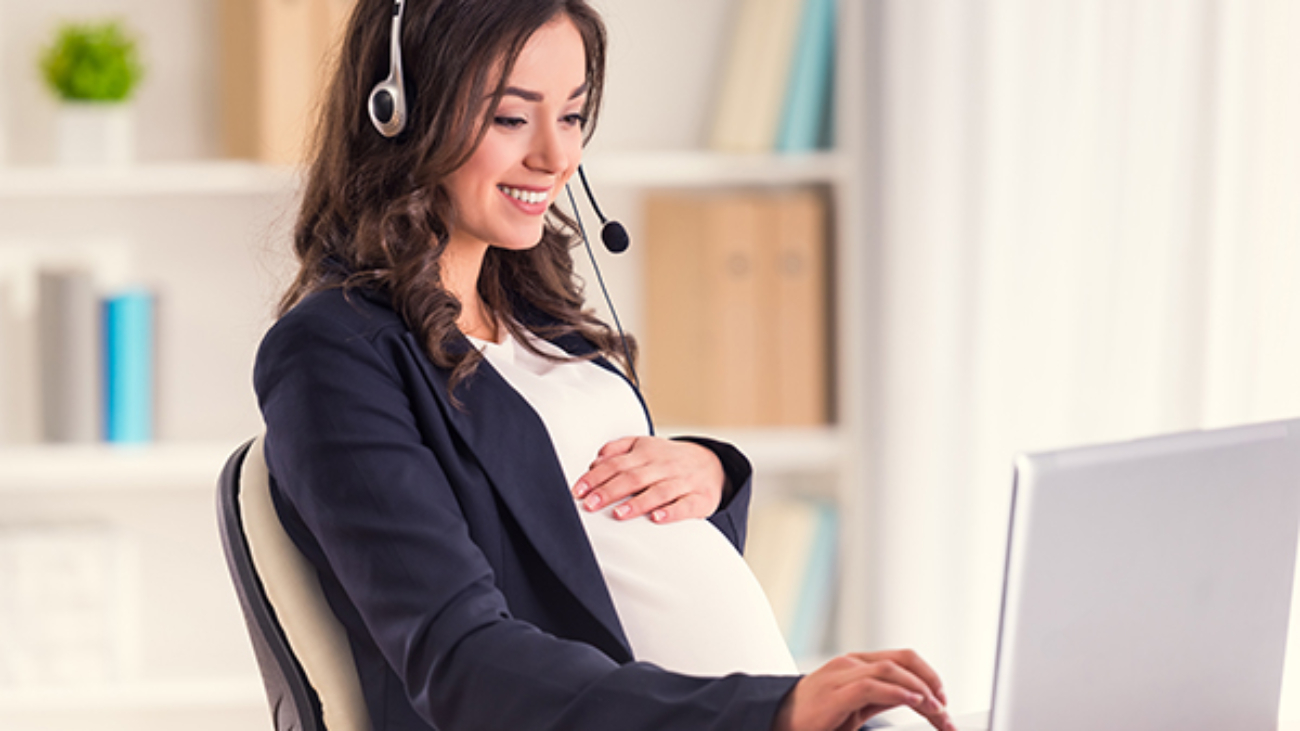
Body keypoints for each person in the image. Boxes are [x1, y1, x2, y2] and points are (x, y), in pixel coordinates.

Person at [254, 1, 955, 729]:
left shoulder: (535, 308)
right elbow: (465, 664)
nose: (556, 158)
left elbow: (598, 544)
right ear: (397, 112)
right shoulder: (333, 353)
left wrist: (710, 473)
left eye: (572, 115)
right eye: (510, 118)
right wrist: (774, 708)